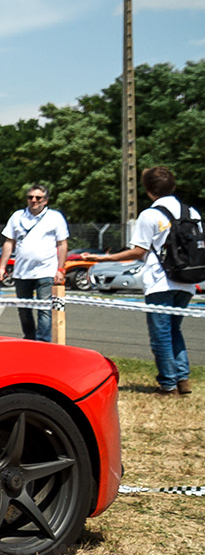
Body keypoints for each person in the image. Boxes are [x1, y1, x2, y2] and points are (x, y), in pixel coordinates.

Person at [87, 166, 198, 395]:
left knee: (161, 335)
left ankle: (168, 384)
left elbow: (138, 252)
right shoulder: (192, 212)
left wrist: (104, 257)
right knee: (175, 330)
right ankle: (183, 379)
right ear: (173, 186)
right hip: (187, 281)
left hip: (160, 282)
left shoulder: (150, 215)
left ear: (147, 190)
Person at [0, 183, 68, 342]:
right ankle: (29, 338)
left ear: (46, 200)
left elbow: (62, 244)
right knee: (24, 309)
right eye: (30, 197)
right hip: (22, 272)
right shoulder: (17, 216)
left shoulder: (55, 217)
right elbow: (9, 242)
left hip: (46, 271)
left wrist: (60, 269)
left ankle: (43, 341)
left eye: (38, 197)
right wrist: (2, 267)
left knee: (44, 309)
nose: (34, 200)